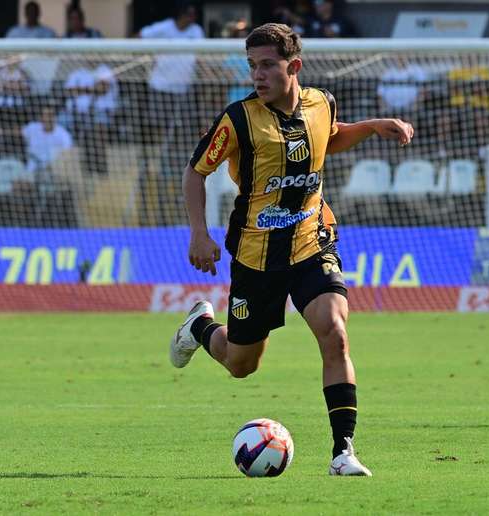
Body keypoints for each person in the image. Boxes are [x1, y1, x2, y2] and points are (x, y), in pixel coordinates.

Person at [170, 23, 413, 476]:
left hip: (310, 240)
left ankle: (343, 452)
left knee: (334, 331)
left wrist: (373, 127)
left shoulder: (321, 103)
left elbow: (329, 136)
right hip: (256, 255)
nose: (257, 75)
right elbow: (195, 172)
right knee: (242, 364)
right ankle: (200, 326)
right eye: (252, 66)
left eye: (267, 65)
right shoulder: (239, 119)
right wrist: (198, 234)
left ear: (293, 67)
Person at [138, 1, 205, 223]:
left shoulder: (196, 32)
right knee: (158, 129)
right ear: (180, 15)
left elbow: (201, 58)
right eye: (189, 14)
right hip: (161, 88)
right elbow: (140, 36)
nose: (192, 18)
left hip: (183, 91)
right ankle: (157, 162)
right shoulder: (163, 28)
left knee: (183, 132)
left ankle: (178, 164)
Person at [22, 102, 73, 173]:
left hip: (53, 172)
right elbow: (18, 133)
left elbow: (67, 155)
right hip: (31, 170)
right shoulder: (32, 128)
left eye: (52, 115)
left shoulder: (63, 135)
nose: (49, 118)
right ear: (41, 117)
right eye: (46, 115)